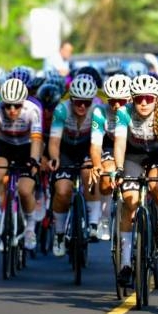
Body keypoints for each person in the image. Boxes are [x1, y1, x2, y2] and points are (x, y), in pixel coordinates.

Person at [110, 74, 158, 288]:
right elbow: (120, 143)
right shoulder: (124, 112)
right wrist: (118, 169)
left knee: (156, 185)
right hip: (133, 157)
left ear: (156, 99)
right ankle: (125, 264)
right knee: (130, 202)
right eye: (139, 98)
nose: (143, 103)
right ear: (132, 99)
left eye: (148, 98)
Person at [0, 78, 44, 254]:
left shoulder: (33, 110)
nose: (11, 110)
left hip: (26, 147)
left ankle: (30, 228)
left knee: (24, 190)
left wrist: (34, 160)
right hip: (5, 146)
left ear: (23, 103)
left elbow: (36, 140)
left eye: (16, 106)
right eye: (8, 105)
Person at [48, 75, 101, 256]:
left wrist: (95, 162)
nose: (82, 106)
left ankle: (93, 223)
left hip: (87, 148)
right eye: (78, 102)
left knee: (89, 173)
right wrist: (54, 158)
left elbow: (97, 143)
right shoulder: (61, 110)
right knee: (63, 191)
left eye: (86, 102)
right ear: (71, 100)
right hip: (65, 151)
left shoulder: (97, 110)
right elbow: (54, 142)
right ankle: (59, 235)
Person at [90, 74, 132, 250]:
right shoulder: (100, 112)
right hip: (110, 145)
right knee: (107, 175)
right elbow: (95, 145)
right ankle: (105, 216)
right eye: (112, 101)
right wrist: (97, 165)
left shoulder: (136, 109)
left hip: (133, 146)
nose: (116, 106)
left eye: (121, 101)